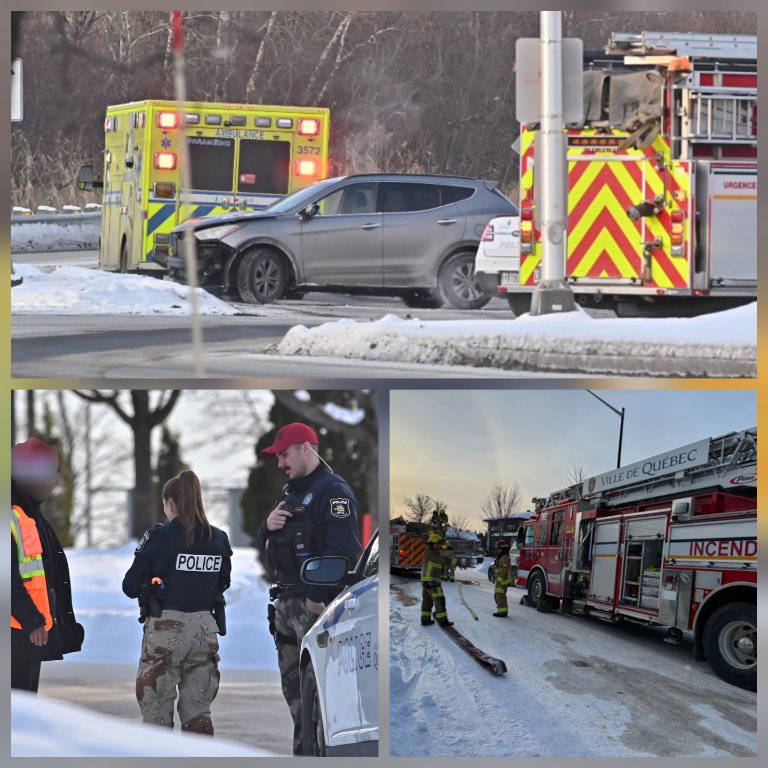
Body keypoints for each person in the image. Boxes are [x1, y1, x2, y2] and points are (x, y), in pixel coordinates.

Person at [256, 422, 361, 755]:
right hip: (286, 605)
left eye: (284, 455)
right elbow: (270, 544)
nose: (280, 463)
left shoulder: (333, 492)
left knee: (318, 703)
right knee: (298, 702)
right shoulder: (290, 493)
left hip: (314, 609)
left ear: (305, 448)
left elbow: (342, 550)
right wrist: (266, 527)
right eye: (277, 457)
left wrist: (317, 598)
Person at [122, 470, 232, 735]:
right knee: (199, 714)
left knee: (156, 715)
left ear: (170, 504)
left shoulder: (159, 537)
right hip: (205, 630)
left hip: (166, 631)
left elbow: (130, 586)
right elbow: (223, 582)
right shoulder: (219, 539)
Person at [11, 437, 84, 692]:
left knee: (23, 702)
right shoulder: (13, 515)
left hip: (24, 633)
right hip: (17, 632)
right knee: (17, 704)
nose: (48, 482)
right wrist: (32, 620)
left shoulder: (28, 513)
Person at [420, 532, 453, 626]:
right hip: (433, 582)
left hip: (426, 582)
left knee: (427, 601)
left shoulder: (428, 552)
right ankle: (443, 620)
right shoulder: (432, 553)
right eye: (438, 544)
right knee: (440, 600)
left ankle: (425, 619)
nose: (439, 546)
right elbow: (444, 559)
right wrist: (458, 563)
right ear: (432, 543)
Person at [492, 539, 512, 617]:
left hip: (501, 581)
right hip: (499, 580)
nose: (497, 550)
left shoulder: (504, 557)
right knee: (498, 595)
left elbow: (505, 570)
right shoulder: (501, 556)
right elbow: (499, 568)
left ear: (501, 548)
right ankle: (503, 611)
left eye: (498, 548)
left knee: (500, 596)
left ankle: (502, 612)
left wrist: (499, 580)